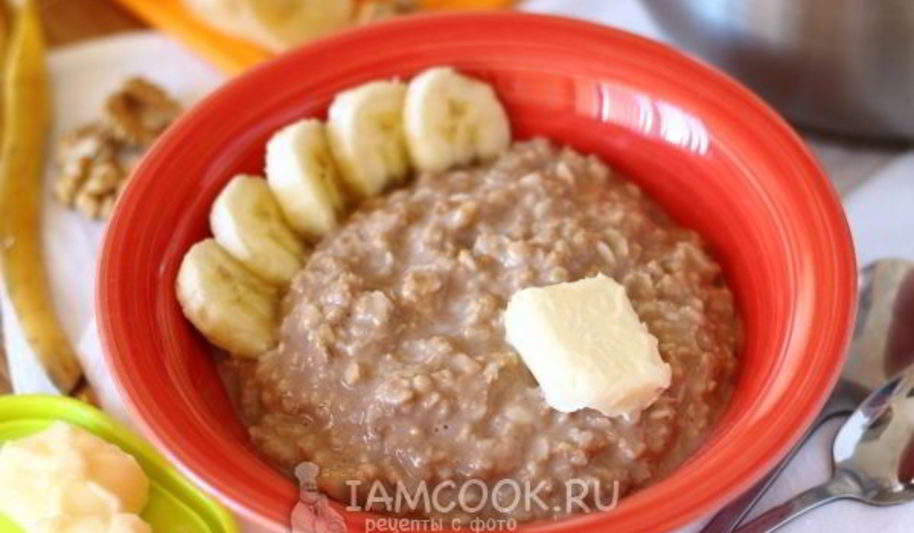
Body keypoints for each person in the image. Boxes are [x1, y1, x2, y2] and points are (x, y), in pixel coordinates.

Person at [290, 462, 348, 533]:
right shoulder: (298, 512)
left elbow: (340, 523)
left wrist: (325, 512)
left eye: (313, 487)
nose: (311, 490)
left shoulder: (323, 506)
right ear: (301, 490)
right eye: (308, 487)